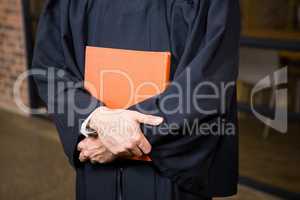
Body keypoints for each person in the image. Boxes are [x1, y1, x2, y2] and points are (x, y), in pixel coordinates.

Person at [32, 0, 240, 200]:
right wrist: (91, 116)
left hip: (169, 167)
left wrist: (119, 136)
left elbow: (210, 76)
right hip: (97, 163)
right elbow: (51, 66)